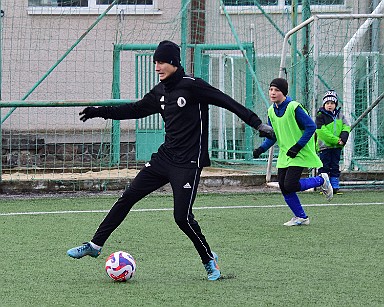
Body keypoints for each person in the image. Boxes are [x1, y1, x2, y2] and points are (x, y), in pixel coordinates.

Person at [66, 40, 275, 281]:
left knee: (182, 218)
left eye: (162, 62)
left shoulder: (193, 87)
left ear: (174, 63)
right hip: (164, 158)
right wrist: (100, 111)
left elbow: (227, 101)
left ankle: (209, 259)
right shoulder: (160, 92)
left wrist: (257, 123)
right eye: (155, 62)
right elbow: (134, 110)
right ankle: (95, 245)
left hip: (188, 163)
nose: (157, 67)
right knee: (128, 196)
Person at [252, 78, 333, 226]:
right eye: (271, 89)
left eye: (276, 90)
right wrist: (261, 149)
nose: (273, 93)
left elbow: (311, 127)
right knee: (284, 187)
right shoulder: (271, 111)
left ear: (283, 92)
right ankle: (301, 217)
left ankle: (321, 180)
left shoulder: (294, 107)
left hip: (299, 152)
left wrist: (297, 146)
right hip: (285, 154)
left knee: (290, 185)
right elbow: (273, 136)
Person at [315, 90, 350, 195]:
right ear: (324, 104)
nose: (329, 105)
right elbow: (321, 132)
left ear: (336, 104)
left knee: (335, 166)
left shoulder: (340, 116)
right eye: (327, 103)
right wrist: (336, 140)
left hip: (337, 147)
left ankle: (335, 186)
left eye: (332, 103)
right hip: (324, 147)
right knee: (324, 166)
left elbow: (346, 127)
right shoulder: (320, 116)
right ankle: (324, 187)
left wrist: (343, 139)